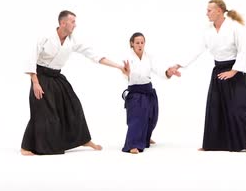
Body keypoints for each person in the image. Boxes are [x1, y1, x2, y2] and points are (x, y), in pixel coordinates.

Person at [20, 10, 126, 155]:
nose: (75, 25)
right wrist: (35, 83)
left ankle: (83, 139)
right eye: (73, 22)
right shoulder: (45, 37)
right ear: (63, 23)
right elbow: (31, 58)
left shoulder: (72, 40)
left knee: (74, 105)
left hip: (57, 77)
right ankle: (26, 147)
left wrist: (119, 67)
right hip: (41, 77)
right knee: (43, 113)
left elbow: (94, 55)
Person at [171, 0, 246, 152]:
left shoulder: (234, 27)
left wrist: (233, 71)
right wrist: (179, 64)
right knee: (215, 106)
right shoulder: (208, 30)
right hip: (219, 70)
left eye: (209, 10)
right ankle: (213, 144)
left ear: (219, 11)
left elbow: (244, 51)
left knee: (237, 108)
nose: (206, 13)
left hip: (236, 70)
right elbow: (196, 49)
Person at [120, 32, 179, 154]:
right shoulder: (127, 57)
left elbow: (158, 70)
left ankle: (145, 137)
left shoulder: (149, 57)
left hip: (148, 90)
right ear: (132, 44)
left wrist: (168, 72)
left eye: (142, 42)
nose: (140, 45)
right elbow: (126, 74)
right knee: (137, 119)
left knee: (152, 117)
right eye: (137, 43)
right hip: (135, 92)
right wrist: (127, 73)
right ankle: (133, 144)